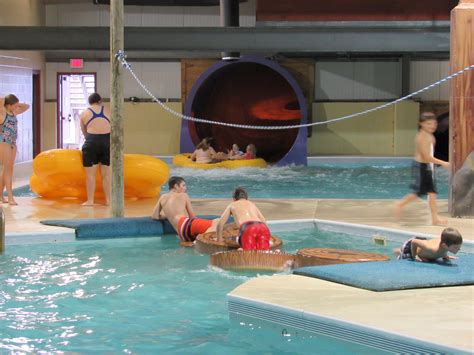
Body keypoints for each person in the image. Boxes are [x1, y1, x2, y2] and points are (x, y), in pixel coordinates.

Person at [395, 112, 450, 225]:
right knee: (417, 193)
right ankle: (399, 205)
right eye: (428, 124)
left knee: (432, 192)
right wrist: (443, 163)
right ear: (421, 124)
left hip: (426, 166)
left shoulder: (428, 135)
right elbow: (426, 157)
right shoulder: (423, 137)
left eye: (434, 123)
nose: (432, 126)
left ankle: (435, 218)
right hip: (421, 167)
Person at [151, 176, 218, 245]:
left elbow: (155, 216)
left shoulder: (162, 197)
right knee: (217, 222)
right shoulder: (183, 195)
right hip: (185, 224)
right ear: (176, 186)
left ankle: (192, 243)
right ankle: (199, 241)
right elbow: (192, 217)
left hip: (182, 234)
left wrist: (168, 216)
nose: (185, 188)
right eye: (183, 185)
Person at [80, 93, 111, 206]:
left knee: (90, 175)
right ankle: (108, 200)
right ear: (100, 101)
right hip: (107, 142)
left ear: (89, 102)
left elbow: (84, 132)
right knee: (106, 175)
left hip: (91, 142)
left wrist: (91, 140)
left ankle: (90, 201)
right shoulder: (108, 111)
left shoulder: (84, 113)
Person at [0, 94, 30, 205]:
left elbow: (27, 106)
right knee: (7, 170)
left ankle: (0, 196)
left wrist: (16, 104)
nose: (16, 107)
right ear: (7, 105)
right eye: (14, 105)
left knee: (8, 170)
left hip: (12, 143)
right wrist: (5, 102)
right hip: (3, 142)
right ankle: (10, 197)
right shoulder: (2, 114)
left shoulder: (13, 112)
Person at [396, 227, 463, 262]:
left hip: (423, 244)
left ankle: (397, 251)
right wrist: (415, 256)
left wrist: (445, 256)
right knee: (404, 258)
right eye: (456, 247)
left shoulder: (445, 243)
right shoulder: (433, 249)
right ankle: (398, 252)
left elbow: (443, 237)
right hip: (410, 246)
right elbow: (414, 242)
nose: (459, 249)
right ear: (444, 245)